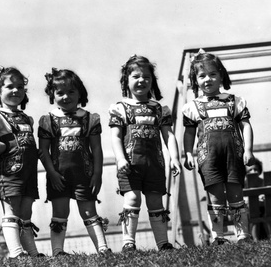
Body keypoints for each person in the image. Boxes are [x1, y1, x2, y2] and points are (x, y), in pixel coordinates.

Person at [109, 55, 181, 252]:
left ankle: (163, 243)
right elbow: (115, 137)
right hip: (130, 165)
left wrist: (174, 158)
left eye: (147, 77)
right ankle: (128, 243)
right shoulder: (120, 108)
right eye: (136, 76)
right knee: (132, 199)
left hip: (155, 165)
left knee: (156, 201)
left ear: (152, 81)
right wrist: (121, 158)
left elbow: (169, 135)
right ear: (126, 80)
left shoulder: (159, 109)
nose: (141, 80)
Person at [182, 50, 255, 245]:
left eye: (213, 74)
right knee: (215, 197)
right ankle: (219, 237)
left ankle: (243, 235)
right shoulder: (192, 107)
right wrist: (188, 153)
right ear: (195, 80)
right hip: (209, 158)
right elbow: (189, 134)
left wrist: (248, 150)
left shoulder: (234, 101)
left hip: (234, 156)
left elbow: (246, 126)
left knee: (235, 194)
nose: (208, 79)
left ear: (221, 75)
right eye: (202, 75)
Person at [38, 68, 111, 256]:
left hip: (84, 175)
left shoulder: (89, 119)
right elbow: (43, 151)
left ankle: (102, 248)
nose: (65, 96)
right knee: (60, 213)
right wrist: (52, 173)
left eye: (71, 91)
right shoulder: (48, 120)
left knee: (88, 211)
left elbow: (96, 149)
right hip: (58, 176)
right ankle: (57, 251)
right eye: (60, 92)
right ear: (52, 95)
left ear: (80, 93)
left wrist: (97, 174)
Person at [0, 66, 43, 259]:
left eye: (20, 87)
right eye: (10, 86)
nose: (16, 91)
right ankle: (16, 253)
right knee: (11, 208)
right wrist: (1, 148)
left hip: (29, 172)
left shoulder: (25, 118)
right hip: (9, 172)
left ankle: (33, 253)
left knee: (26, 210)